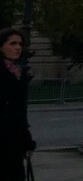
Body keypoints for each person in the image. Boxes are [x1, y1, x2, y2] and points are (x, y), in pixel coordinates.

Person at [0, 28, 33, 181]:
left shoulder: (18, 73)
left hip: (13, 145)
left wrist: (26, 143)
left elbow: (20, 114)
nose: (18, 47)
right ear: (1, 47)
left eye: (20, 44)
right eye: (12, 43)